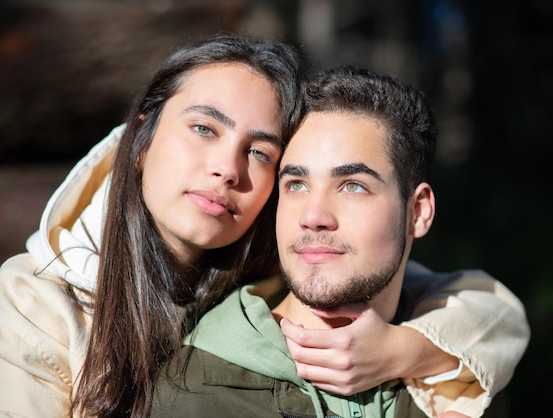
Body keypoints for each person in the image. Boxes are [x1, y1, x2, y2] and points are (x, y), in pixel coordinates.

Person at [0, 33, 526, 417]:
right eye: (205, 129)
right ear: (141, 140)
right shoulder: (39, 306)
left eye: (259, 153)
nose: (226, 169)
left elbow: (489, 309)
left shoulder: (280, 259)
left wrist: (407, 352)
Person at [150, 65, 530, 417]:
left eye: (352, 186)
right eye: (296, 184)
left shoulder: (459, 380)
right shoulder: (190, 395)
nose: (313, 216)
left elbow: (498, 314)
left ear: (418, 212)